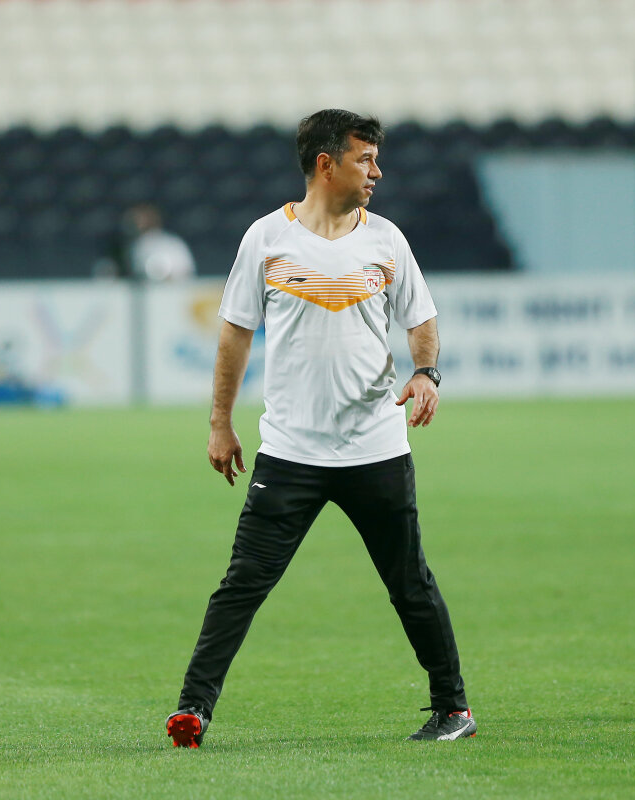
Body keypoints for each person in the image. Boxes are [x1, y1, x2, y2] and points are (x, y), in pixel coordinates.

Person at [165, 109, 474, 748]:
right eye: (366, 159)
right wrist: (220, 423)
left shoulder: (386, 240)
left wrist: (426, 373)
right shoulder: (266, 239)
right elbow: (234, 335)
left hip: (376, 447)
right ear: (326, 165)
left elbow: (420, 318)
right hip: (290, 452)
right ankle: (193, 709)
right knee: (242, 585)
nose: (377, 172)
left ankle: (453, 709)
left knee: (410, 584)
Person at [95, 203, 196, 282]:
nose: (133, 223)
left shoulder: (172, 242)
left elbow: (186, 271)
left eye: (138, 219)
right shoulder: (132, 246)